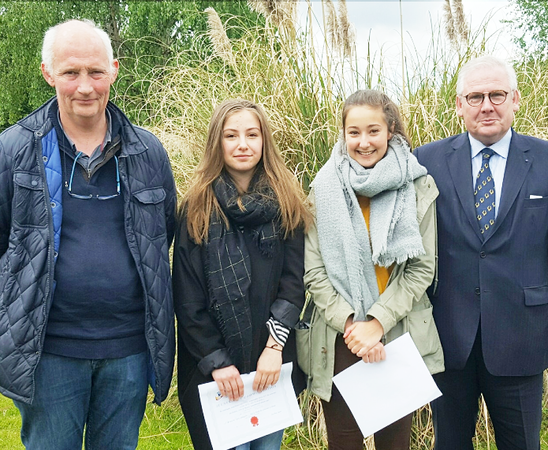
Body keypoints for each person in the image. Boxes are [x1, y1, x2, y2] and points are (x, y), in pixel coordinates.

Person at [0, 19, 177, 450]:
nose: (85, 86)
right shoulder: (13, 151)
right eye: (70, 72)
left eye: (96, 72)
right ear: (48, 73)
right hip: (48, 351)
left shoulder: (148, 152)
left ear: (114, 70)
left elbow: (162, 235)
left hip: (129, 350)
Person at [414, 55, 548, 450]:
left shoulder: (545, 160)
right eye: (475, 96)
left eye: (496, 94)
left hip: (522, 336)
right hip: (449, 336)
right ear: (459, 105)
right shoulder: (426, 160)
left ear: (516, 99)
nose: (486, 105)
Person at [300, 89, 444, 450]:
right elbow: (314, 273)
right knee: (344, 444)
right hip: (339, 339)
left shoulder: (417, 184)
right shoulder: (323, 188)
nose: (363, 142)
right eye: (354, 132)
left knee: (395, 445)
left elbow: (421, 269)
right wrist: (353, 327)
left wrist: (378, 322)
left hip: (396, 335)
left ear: (391, 131)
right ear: (343, 133)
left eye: (373, 131)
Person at [172, 99, 311, 450]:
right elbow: (188, 299)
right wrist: (218, 363)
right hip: (212, 369)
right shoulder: (197, 207)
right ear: (217, 143)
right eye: (231, 135)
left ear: (265, 140)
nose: (243, 144)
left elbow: (294, 284)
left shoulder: (286, 202)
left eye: (252, 134)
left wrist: (273, 347)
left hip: (270, 364)